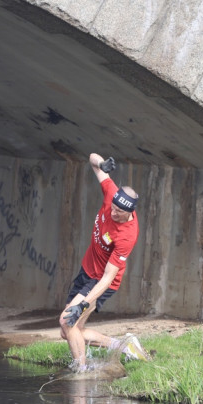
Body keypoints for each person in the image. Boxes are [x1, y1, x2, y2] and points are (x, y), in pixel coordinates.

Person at [59, 152, 148, 371]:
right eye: (113, 209)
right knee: (68, 331)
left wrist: (83, 304)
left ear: (130, 212)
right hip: (87, 270)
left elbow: (108, 277)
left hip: (101, 280)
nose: (114, 213)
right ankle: (125, 347)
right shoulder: (111, 195)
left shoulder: (127, 235)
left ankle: (82, 371)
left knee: (67, 322)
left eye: (119, 212)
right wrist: (102, 164)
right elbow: (91, 159)